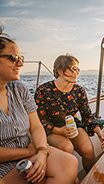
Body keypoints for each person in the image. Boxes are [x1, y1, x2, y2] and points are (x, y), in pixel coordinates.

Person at [0, 28, 78, 183]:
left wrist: (42, 151)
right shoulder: (44, 90)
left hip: (32, 149)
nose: (21, 63)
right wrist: (28, 151)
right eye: (14, 58)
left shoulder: (19, 88)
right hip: (7, 161)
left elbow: (35, 126)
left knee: (70, 163)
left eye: (20, 57)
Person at [34, 54, 104, 173]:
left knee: (88, 151)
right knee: (67, 148)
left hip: (73, 125)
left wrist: (98, 131)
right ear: (60, 71)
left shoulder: (79, 91)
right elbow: (39, 118)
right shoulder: (43, 90)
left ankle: (90, 179)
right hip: (51, 128)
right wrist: (58, 130)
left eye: (78, 69)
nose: (77, 72)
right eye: (73, 69)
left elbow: (87, 115)